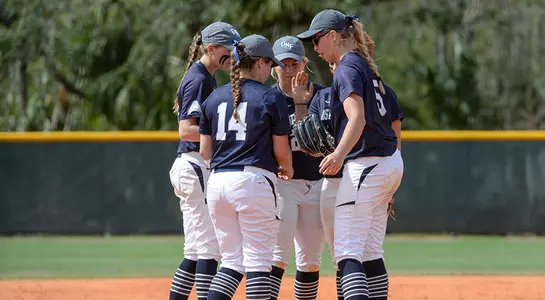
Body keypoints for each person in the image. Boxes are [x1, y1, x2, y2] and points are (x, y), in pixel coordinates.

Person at [298, 9, 404, 300]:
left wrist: (338, 155)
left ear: (333, 36)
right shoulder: (368, 69)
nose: (315, 48)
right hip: (387, 162)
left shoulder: (347, 68)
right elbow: (392, 126)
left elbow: (357, 119)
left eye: (317, 40)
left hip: (366, 166)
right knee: (370, 251)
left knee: (347, 253)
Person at [199, 34, 294, 300]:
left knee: (231, 261)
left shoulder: (215, 97)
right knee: (258, 263)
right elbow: (281, 152)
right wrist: (288, 168)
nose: (272, 69)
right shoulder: (270, 97)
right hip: (253, 181)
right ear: (261, 62)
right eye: (270, 63)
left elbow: (205, 152)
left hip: (217, 184)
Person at [167, 21, 240, 300]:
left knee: (197, 249)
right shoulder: (200, 79)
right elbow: (186, 129)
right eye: (228, 49)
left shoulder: (205, 76)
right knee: (209, 248)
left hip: (192, 165)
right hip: (194, 164)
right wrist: (224, 133)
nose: (232, 55)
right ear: (210, 48)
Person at [268, 36, 326, 300]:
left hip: (317, 184)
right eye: (283, 63)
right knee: (276, 257)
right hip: (282, 186)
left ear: (305, 63)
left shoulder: (323, 96)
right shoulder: (266, 98)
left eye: (295, 62)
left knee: (311, 261)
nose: (289, 68)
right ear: (273, 66)